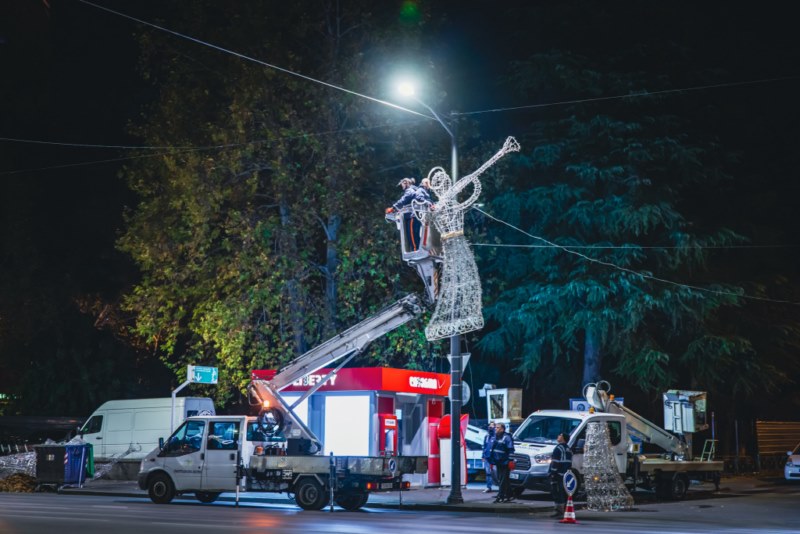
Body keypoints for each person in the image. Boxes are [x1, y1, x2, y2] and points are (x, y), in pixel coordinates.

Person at [386, 177, 423, 251]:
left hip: (412, 216)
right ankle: (417, 250)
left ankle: (416, 251)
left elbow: (404, 199)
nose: (402, 186)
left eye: (402, 184)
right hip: (415, 215)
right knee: (415, 236)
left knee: (412, 236)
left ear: (406, 183)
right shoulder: (416, 190)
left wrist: (393, 208)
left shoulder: (410, 190)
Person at [489, 422, 515, 503]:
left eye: (498, 427)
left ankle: (500, 496)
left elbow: (511, 450)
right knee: (503, 479)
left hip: (505, 462)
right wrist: (491, 460)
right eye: (495, 427)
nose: (496, 429)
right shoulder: (495, 437)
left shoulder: (507, 437)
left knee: (502, 480)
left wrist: (510, 461)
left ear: (502, 429)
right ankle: (510, 495)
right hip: (498, 462)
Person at [549, 432, 573, 517]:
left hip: (558, 474)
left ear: (563, 438)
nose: (558, 436)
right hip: (566, 474)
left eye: (560, 435)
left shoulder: (558, 448)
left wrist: (552, 473)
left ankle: (559, 510)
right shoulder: (568, 449)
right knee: (563, 492)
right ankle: (565, 509)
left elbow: (555, 462)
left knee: (557, 491)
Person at [482, 422, 497, 493]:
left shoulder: (497, 436)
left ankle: (501, 488)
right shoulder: (486, 436)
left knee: (497, 472)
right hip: (487, 457)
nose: (490, 427)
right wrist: (483, 456)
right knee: (488, 472)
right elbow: (484, 446)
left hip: (495, 458)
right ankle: (488, 487)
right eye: (490, 426)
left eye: (492, 426)